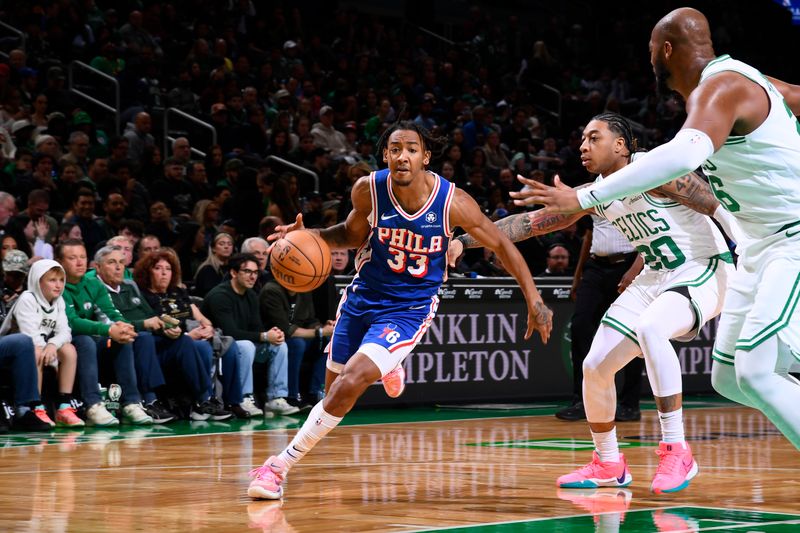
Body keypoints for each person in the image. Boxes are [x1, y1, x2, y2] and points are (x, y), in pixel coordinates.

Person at [522, 7, 800, 452]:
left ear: (666, 49)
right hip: (757, 251)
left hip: (787, 238)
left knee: (755, 371)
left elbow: (683, 155)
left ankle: (675, 448)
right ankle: (607, 460)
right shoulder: (747, 82)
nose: (648, 56)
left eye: (650, 48)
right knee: (730, 377)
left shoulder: (721, 87)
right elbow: (794, 95)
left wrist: (584, 198)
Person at [247, 121, 553, 500]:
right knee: (332, 396)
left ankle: (277, 467)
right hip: (363, 297)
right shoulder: (369, 189)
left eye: (411, 149)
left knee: (350, 384)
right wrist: (309, 236)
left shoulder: (452, 202)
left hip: (409, 307)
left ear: (425, 157)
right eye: (394, 149)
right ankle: (390, 362)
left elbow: (503, 246)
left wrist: (534, 299)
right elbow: (351, 234)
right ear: (386, 155)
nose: (402, 155)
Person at [451, 111, 737, 494]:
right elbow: (531, 222)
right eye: (582, 139)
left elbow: (714, 203)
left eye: (593, 137)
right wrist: (463, 240)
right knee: (596, 365)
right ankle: (608, 462)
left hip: (703, 266)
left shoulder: (655, 168)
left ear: (620, 144)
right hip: (655, 276)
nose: (583, 146)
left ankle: (676, 449)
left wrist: (748, 251)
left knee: (652, 328)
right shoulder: (596, 193)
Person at [95, 245, 231, 422]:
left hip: (149, 344)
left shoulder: (130, 286)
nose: (119, 267)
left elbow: (150, 316)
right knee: (144, 338)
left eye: (121, 262)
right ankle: (150, 401)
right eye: (112, 263)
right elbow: (114, 323)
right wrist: (144, 324)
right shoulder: (96, 288)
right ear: (97, 267)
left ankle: (203, 401)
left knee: (183, 341)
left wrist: (166, 329)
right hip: (122, 344)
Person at [135, 248, 248, 418]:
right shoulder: (144, 296)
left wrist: (208, 328)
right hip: (164, 345)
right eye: (158, 268)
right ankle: (203, 400)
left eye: (168, 269)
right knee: (196, 346)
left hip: (188, 337)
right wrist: (189, 336)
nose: (164, 273)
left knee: (228, 343)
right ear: (148, 272)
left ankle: (233, 402)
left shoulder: (178, 292)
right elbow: (154, 328)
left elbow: (202, 319)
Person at [57, 239, 153, 426]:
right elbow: (72, 323)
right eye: (72, 258)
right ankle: (93, 405)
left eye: (83, 257)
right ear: (60, 262)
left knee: (122, 340)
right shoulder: (57, 285)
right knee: (85, 340)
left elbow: (111, 313)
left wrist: (124, 328)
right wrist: (108, 330)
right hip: (62, 342)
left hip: (93, 342)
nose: (79, 262)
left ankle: (131, 403)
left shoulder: (94, 284)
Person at [201, 253, 294, 418]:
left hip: (244, 347)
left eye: (255, 272)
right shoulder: (220, 296)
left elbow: (256, 327)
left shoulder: (251, 295)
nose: (253, 276)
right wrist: (265, 336)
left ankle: (276, 398)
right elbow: (231, 333)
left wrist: (272, 334)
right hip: (220, 348)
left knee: (280, 345)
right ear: (234, 273)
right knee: (246, 345)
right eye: (247, 271)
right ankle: (243, 398)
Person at [0, 260, 84, 427]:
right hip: (16, 349)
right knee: (37, 352)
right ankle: (36, 407)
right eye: (52, 280)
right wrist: (51, 357)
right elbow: (29, 335)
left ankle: (64, 407)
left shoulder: (58, 301)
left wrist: (53, 345)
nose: (58, 285)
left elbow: (65, 332)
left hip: (43, 345)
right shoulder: (27, 298)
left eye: (61, 280)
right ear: (37, 281)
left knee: (69, 350)